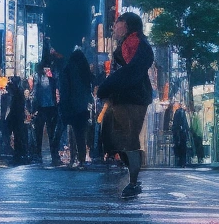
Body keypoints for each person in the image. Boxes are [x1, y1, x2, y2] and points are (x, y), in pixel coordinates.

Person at [96, 12, 155, 197]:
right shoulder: (127, 45)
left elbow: (132, 72)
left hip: (134, 99)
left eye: (117, 23)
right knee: (116, 137)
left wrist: (107, 86)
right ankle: (133, 173)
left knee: (129, 139)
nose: (114, 27)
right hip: (123, 98)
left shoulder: (140, 46)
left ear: (127, 25)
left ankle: (134, 181)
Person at [61, 43, 94, 165]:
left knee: (71, 132)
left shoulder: (68, 69)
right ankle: (81, 159)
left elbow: (65, 88)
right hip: (82, 107)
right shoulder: (85, 71)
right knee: (81, 134)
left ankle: (73, 157)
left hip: (71, 105)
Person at [31, 63, 59, 162]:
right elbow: (36, 91)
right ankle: (45, 154)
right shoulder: (42, 76)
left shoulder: (45, 76)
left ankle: (47, 154)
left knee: (47, 132)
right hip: (45, 107)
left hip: (46, 107)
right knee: (44, 132)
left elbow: (36, 92)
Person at [4, 71, 29, 163]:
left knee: (17, 135)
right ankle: (19, 152)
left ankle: (17, 152)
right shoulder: (19, 92)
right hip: (18, 117)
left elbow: (14, 107)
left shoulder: (16, 93)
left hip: (16, 117)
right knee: (18, 135)